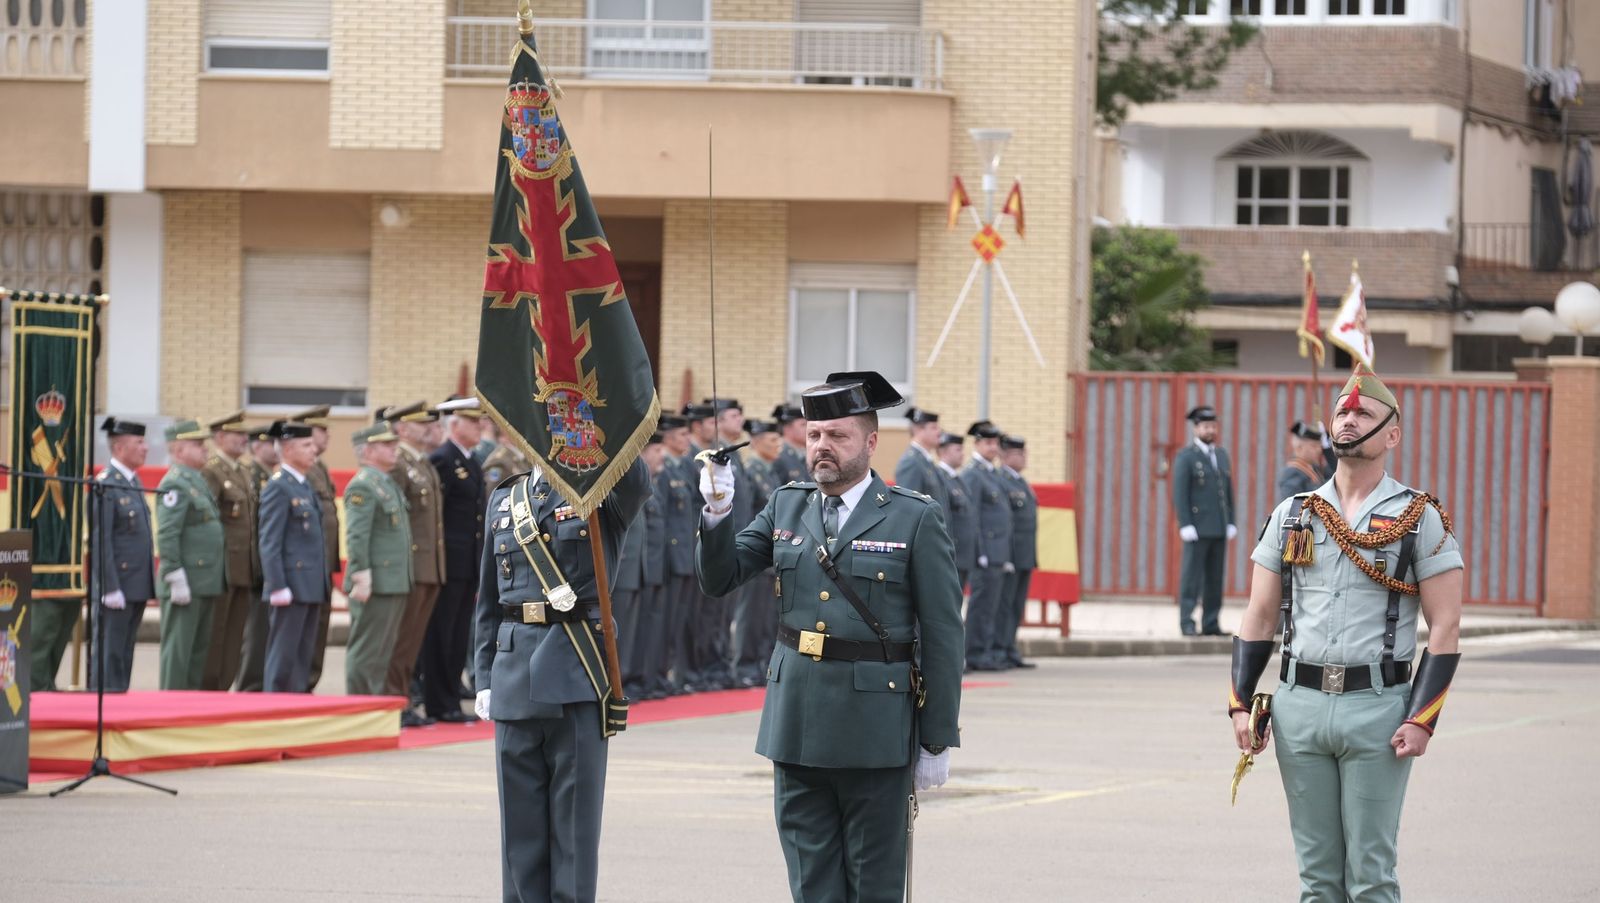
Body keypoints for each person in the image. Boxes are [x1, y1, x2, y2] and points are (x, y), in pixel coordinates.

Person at [698, 370, 962, 903]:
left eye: (837, 436)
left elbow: (942, 635)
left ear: (868, 442)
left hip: (876, 730)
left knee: (874, 885)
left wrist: (935, 738)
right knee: (812, 885)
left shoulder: (912, 517)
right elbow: (719, 578)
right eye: (815, 435)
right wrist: (718, 510)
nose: (822, 447)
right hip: (796, 723)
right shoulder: (787, 505)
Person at [1230, 368, 1463, 903]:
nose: (1349, 419)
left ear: (1391, 435)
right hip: (1298, 707)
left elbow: (1445, 625)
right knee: (1316, 880)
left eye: (1362, 413)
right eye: (1341, 412)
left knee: (1371, 876)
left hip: (1377, 708)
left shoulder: (1418, 516)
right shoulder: (1293, 515)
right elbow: (1259, 615)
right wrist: (1241, 703)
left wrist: (1422, 717)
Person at [472, 448, 650, 903]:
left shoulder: (600, 488)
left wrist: (603, 435)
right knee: (519, 823)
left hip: (576, 668)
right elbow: (489, 599)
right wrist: (485, 676)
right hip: (512, 672)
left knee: (573, 826)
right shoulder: (505, 498)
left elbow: (635, 481)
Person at [382, 402, 448, 727]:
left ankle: (405, 697)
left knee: (414, 639)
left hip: (430, 565)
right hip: (411, 565)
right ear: (402, 429)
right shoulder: (398, 465)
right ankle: (395, 701)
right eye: (419, 424)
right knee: (402, 639)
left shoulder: (422, 464)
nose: (428, 428)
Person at [423, 401, 486, 722]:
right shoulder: (443, 460)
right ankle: (438, 702)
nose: (481, 428)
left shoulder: (471, 461)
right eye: (473, 423)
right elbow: (434, 517)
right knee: (441, 634)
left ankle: (451, 699)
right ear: (455, 425)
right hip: (448, 562)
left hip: (468, 564)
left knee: (459, 635)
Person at [258, 421, 330, 693]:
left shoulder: (303, 485)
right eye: (306, 445)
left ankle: (296, 704)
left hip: (309, 583)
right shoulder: (279, 487)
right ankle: (275, 707)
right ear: (287, 449)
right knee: (284, 655)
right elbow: (270, 541)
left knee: (302, 655)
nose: (314, 451)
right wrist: (276, 585)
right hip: (290, 584)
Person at [342, 421, 413, 696]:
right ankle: (359, 705)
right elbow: (357, 537)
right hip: (376, 582)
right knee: (367, 649)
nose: (394, 449)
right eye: (386, 444)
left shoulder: (384, 482)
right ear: (368, 451)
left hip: (392, 580)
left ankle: (374, 703)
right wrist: (361, 576)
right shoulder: (363, 486)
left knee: (382, 651)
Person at [155, 418, 226, 690]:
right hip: (186, 579)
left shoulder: (195, 480)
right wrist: (173, 572)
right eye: (197, 445)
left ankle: (188, 704)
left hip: (203, 579)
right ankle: (170, 706)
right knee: (179, 651)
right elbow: (168, 532)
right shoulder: (175, 483)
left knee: (197, 652)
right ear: (179, 450)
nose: (204, 449)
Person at [89, 417, 154, 693]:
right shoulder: (105, 484)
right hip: (117, 586)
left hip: (135, 584)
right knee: (109, 653)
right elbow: (100, 541)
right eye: (139, 442)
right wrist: (109, 586)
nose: (146, 448)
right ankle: (102, 708)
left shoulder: (132, 480)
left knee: (125, 652)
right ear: (119, 447)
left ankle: (120, 704)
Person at [200, 410, 259, 692]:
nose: (243, 439)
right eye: (238, 434)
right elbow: (207, 521)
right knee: (217, 634)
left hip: (243, 567)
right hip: (221, 568)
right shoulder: (211, 471)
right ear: (220, 437)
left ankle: (225, 687)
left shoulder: (244, 471)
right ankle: (210, 690)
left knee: (236, 634)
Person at [287, 405, 342, 690]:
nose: (327, 435)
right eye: (322, 430)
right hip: (305, 566)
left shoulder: (319, 467)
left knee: (318, 631)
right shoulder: (302, 471)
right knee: (301, 634)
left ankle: (307, 684)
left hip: (322, 564)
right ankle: (298, 686)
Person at [1172, 405, 1236, 637]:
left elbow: (1227, 491)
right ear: (1196, 428)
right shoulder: (1186, 457)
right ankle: (1187, 622)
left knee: (1214, 578)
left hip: (1218, 527)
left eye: (1213, 426)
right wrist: (1185, 523)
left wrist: (1230, 520)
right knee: (1192, 577)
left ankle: (1211, 622)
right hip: (1197, 528)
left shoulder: (1221, 455)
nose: (1210, 431)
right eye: (1206, 426)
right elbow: (1180, 493)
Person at [730, 419, 782, 687]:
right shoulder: (750, 470)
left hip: (770, 558)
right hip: (755, 554)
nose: (778, 445)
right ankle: (744, 666)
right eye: (773, 440)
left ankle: (760, 663)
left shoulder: (769, 471)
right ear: (758, 441)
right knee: (749, 615)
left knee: (764, 616)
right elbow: (746, 514)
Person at [960, 419, 1012, 672]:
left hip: (998, 552)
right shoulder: (973, 474)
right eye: (989, 442)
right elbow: (974, 517)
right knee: (980, 606)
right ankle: (974, 653)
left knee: (991, 606)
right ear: (978, 444)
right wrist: (980, 552)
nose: (993, 447)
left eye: (995, 443)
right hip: (986, 553)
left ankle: (986, 650)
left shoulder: (992, 473)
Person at [655, 415, 702, 695]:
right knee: (666, 621)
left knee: (680, 620)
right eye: (682, 435)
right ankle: (664, 674)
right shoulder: (664, 472)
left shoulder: (683, 468)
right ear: (669, 437)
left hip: (686, 553)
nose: (687, 440)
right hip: (670, 557)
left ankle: (675, 674)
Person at [237, 424, 280, 692]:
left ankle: (259, 683)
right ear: (255, 447)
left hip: (264, 567)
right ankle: (250, 686)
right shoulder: (252, 475)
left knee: (266, 632)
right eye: (268, 443)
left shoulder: (269, 476)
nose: (274, 448)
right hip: (256, 567)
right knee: (255, 633)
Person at [995, 434, 1038, 670]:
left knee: (1016, 606)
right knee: (1004, 605)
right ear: (1005, 456)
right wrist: (1007, 555)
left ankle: (1009, 647)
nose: (1022, 458)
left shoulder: (1021, 482)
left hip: (1024, 554)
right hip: (1010, 555)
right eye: (1017, 454)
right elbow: (1005, 523)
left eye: (1023, 453)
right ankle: (999, 648)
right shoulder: (1002, 481)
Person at [936, 431, 978, 590]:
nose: (963, 454)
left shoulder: (958, 479)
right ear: (944, 451)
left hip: (964, 555)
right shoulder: (940, 477)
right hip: (953, 554)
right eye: (958, 449)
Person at [893, 406, 948, 511]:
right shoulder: (911, 462)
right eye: (934, 427)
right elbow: (907, 508)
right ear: (919, 430)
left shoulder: (926, 461)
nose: (939, 432)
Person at [1277, 419, 1338, 504]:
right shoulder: (1292, 472)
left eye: (1320, 446)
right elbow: (1293, 506)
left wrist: (1328, 450)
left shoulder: (1314, 468)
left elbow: (1336, 473)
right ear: (1299, 447)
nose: (1319, 450)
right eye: (1314, 446)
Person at [771, 403, 808, 485]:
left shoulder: (801, 454)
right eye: (803, 425)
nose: (809, 429)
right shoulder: (778, 456)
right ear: (787, 428)